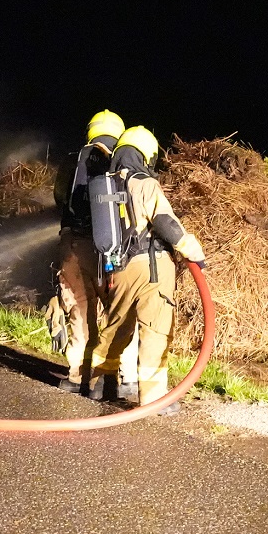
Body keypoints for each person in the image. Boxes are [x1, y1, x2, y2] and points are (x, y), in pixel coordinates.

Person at [88, 125, 206, 408]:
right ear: (146, 156)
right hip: (151, 269)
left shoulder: (106, 185)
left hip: (117, 269)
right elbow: (164, 221)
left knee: (116, 326)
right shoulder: (144, 183)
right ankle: (153, 400)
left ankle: (99, 384)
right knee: (155, 330)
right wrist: (192, 251)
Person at [47, 109, 125, 392]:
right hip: (108, 248)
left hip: (71, 245)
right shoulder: (118, 160)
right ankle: (113, 378)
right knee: (118, 308)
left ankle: (78, 376)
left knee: (80, 306)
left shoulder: (73, 161)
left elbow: (59, 198)